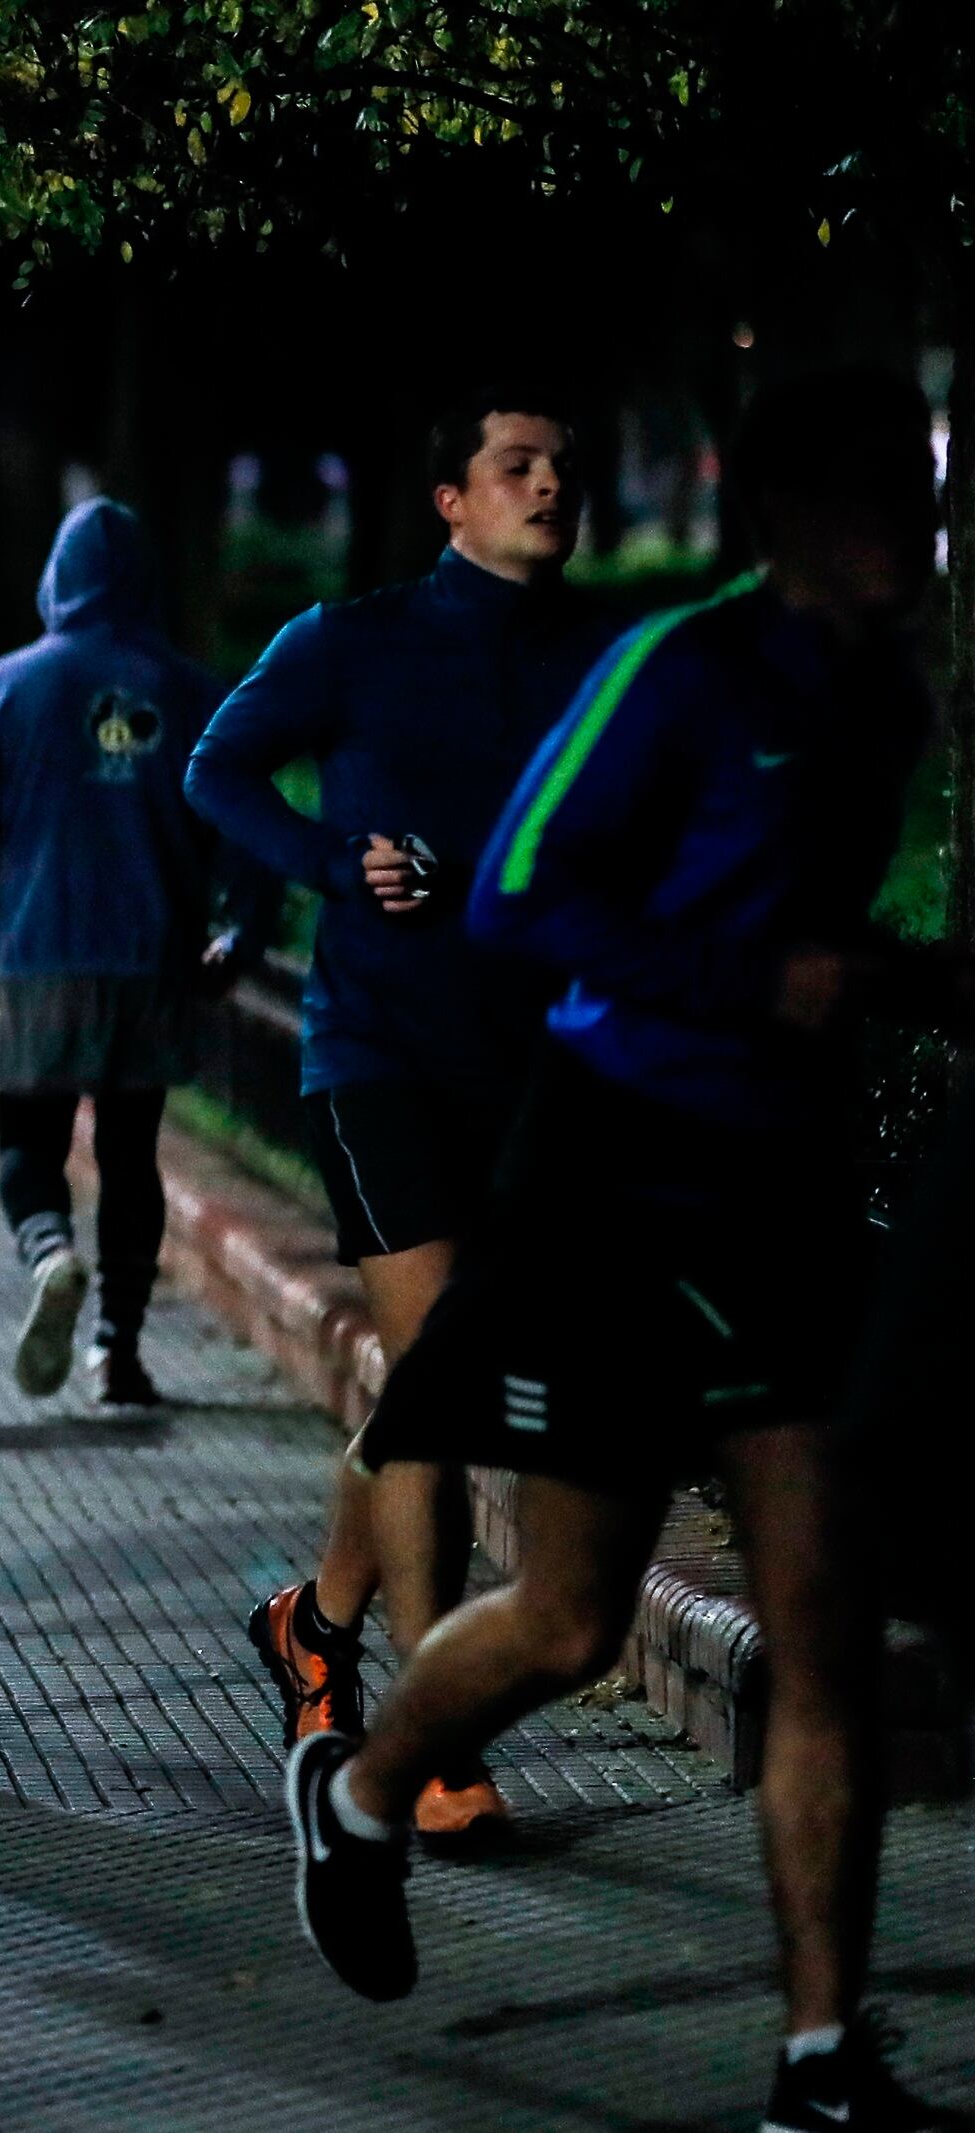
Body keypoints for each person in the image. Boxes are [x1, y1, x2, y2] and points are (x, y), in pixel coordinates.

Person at [285, 371, 962, 2133]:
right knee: (574, 1619)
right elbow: (516, 886)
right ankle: (363, 1798)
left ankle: (819, 2055)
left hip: (785, 1189)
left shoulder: (886, 688)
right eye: (885, 495)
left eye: (929, 493)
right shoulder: (684, 671)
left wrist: (890, 984)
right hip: (615, 1164)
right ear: (793, 512)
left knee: (818, 1621)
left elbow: (827, 929)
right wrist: (748, 981)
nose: (919, 529)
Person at [186, 388, 618, 1844]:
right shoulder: (353, 642)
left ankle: (318, 1621)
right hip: (376, 1049)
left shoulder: (603, 661)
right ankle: (438, 1748)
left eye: (561, 466)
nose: (548, 485)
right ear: (452, 497)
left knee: (454, 1375)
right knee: (432, 1373)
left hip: (540, 1062)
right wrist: (332, 858)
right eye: (518, 467)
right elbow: (215, 767)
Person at [0, 498, 260, 1409]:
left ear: (55, 577)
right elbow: (245, 827)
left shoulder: (8, 687)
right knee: (133, 1153)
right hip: (154, 957)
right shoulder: (193, 691)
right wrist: (241, 931)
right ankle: (118, 1351)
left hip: (38, 951)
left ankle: (52, 1251)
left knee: (30, 1143)